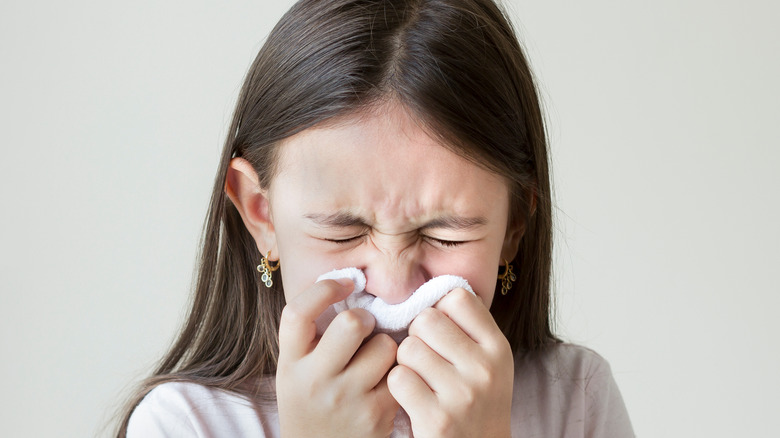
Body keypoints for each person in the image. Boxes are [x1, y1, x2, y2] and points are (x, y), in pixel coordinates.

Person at [117, 0, 634, 436]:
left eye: (444, 234)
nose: (391, 288)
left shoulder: (576, 400)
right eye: (343, 230)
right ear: (262, 213)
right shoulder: (185, 424)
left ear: (513, 227)